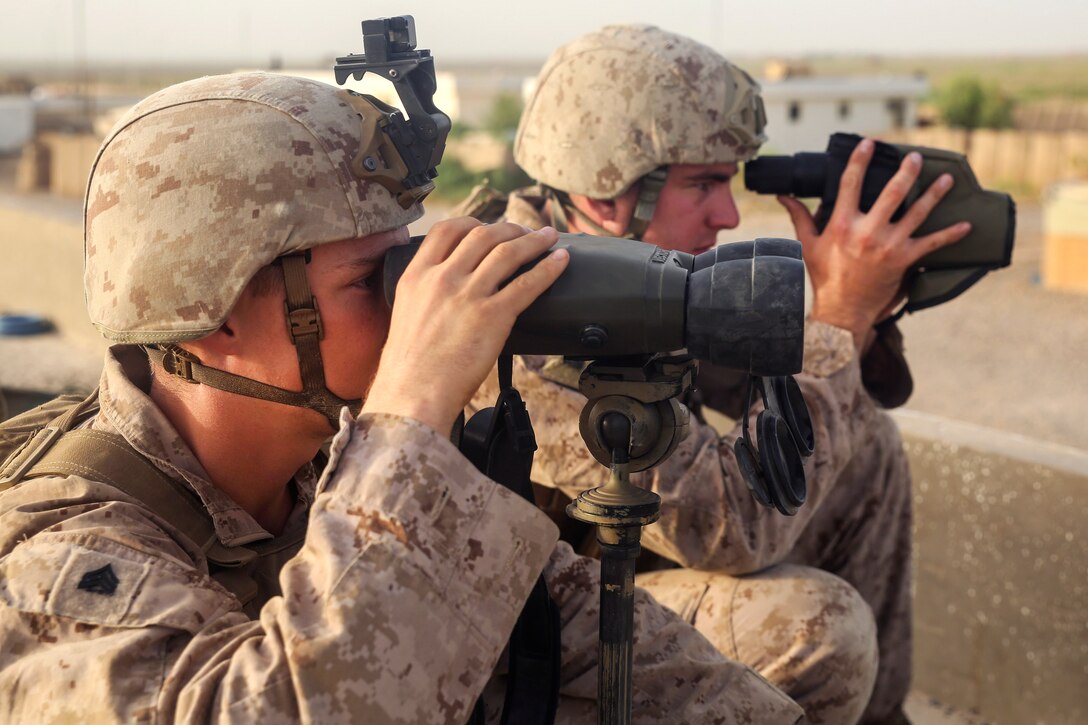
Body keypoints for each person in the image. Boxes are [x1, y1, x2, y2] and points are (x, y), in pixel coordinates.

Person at [0, 72, 804, 722]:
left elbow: (623, 654)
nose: (415, 300)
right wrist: (411, 407)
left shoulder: (326, 477)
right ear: (214, 319)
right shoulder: (60, 566)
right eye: (370, 281)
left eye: (406, 265)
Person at [459, 25, 972, 724]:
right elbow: (726, 525)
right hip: (536, 638)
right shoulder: (525, 311)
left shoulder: (626, 261)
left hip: (619, 564)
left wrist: (854, 298)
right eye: (701, 184)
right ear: (611, 193)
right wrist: (840, 318)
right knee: (815, 626)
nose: (727, 215)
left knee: (866, 445)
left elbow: (783, 387)